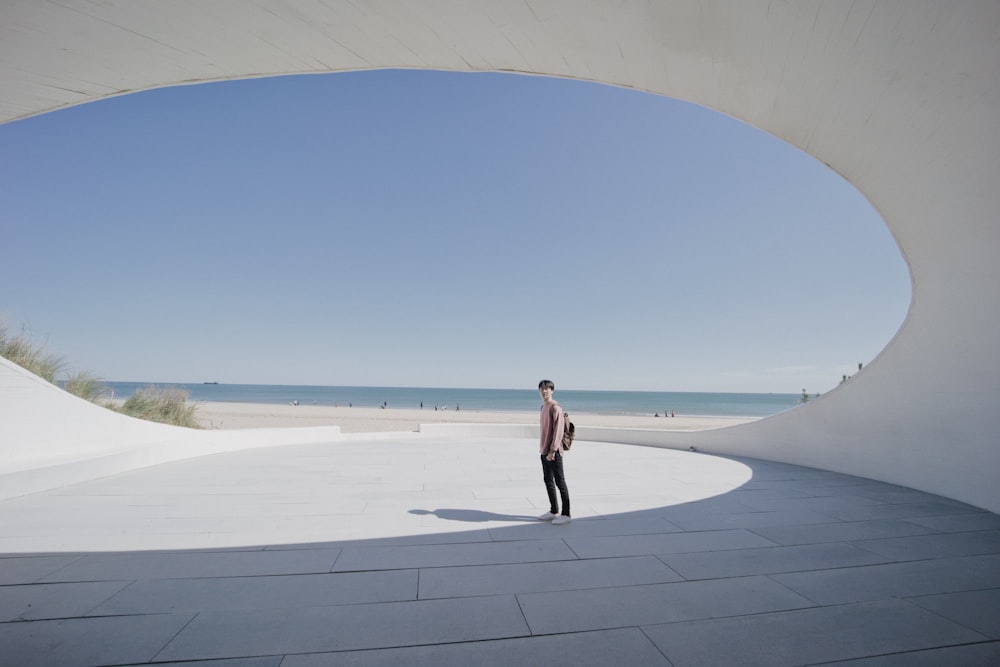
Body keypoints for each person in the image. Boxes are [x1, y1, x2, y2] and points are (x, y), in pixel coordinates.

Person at [537, 379, 571, 525]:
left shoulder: (555, 408)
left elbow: (558, 432)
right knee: (548, 481)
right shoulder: (543, 407)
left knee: (560, 482)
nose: (544, 391)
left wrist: (552, 450)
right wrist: (544, 450)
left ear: (552, 391)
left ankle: (566, 514)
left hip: (554, 452)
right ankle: (554, 510)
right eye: (542, 389)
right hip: (544, 450)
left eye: (547, 389)